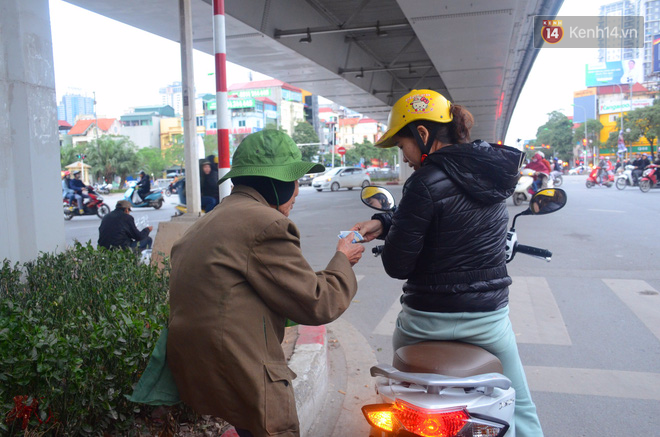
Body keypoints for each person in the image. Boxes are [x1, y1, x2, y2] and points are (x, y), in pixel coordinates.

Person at [350, 89, 543, 437]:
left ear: (423, 135)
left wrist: (389, 229)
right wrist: (389, 221)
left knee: (399, 397)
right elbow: (450, 217)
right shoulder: (497, 177)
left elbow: (397, 265)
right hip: (488, 323)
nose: (405, 156)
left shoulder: (423, 181)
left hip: (423, 324)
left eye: (402, 145)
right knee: (521, 405)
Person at [166, 130, 365, 437]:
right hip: (242, 372)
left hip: (200, 372)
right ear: (277, 183)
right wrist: (343, 258)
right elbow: (319, 302)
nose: (297, 191)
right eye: (294, 180)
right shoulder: (267, 224)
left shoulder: (209, 219)